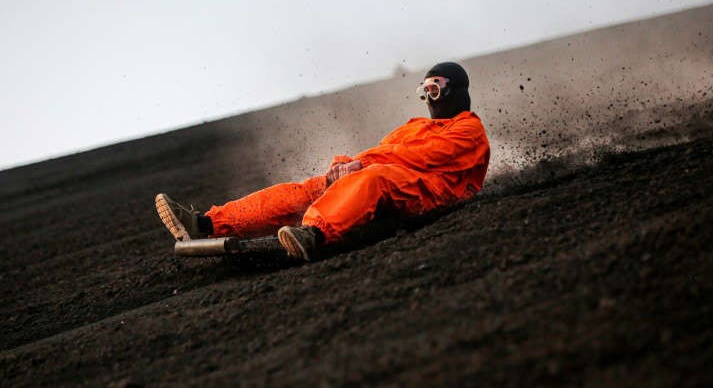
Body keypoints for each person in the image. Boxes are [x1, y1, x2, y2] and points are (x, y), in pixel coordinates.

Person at [155, 62, 490, 261]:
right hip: (393, 181)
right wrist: (342, 166)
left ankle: (313, 234)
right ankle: (206, 224)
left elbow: (424, 158)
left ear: (456, 90)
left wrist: (360, 165)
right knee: (313, 187)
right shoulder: (415, 126)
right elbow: (383, 151)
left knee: (375, 177)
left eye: (436, 88)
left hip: (434, 193)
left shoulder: (469, 128)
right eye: (424, 89)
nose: (428, 97)